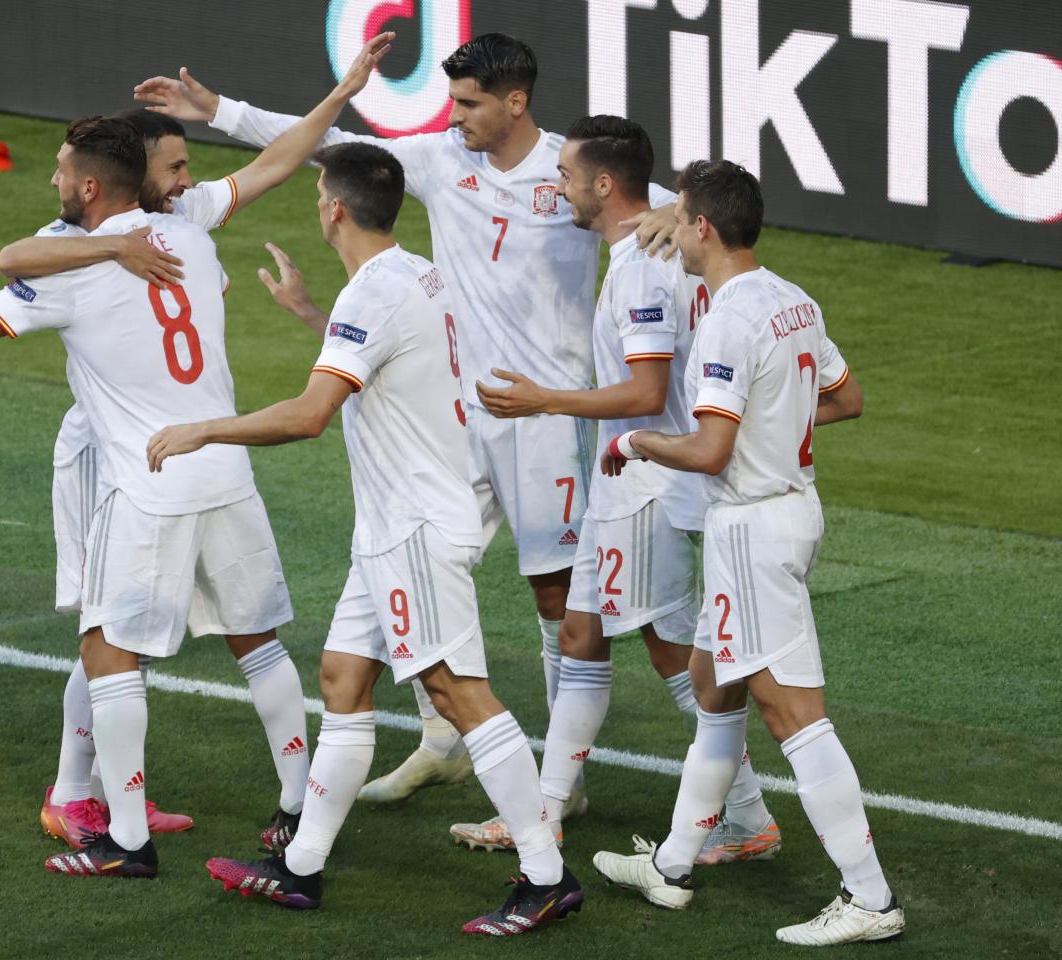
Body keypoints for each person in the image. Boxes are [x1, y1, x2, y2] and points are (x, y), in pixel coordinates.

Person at [137, 33, 675, 809]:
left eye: (469, 104)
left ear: (515, 102)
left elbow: (675, 206)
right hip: (455, 413)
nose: (453, 117)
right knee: (411, 562)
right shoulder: (440, 159)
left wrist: (683, 206)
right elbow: (333, 145)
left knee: (554, 596)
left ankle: (564, 783)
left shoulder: (574, 172)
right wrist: (219, 110)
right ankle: (443, 741)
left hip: (545, 418)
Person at [148, 143, 579, 936]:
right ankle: (301, 867)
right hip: (393, 527)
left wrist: (204, 428)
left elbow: (311, 414)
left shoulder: (375, 293)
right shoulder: (417, 274)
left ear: (334, 208)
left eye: (318, 191)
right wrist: (316, 317)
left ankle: (545, 876)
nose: (317, 202)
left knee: (459, 693)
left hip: (412, 527)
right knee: (345, 677)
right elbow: (399, 363)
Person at [0, 33, 393, 856]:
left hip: (167, 458)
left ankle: (105, 803)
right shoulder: (100, 236)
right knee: (114, 633)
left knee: (117, 637)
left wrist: (342, 91)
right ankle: (78, 792)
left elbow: (279, 161)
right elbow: (24, 257)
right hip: (107, 457)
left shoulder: (178, 220)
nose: (189, 180)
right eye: (174, 168)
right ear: (128, 179)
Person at [0, 116, 293, 879]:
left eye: (63, 172)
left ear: (91, 188)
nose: (53, 182)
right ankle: (296, 807)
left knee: (108, 649)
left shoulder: (73, 270)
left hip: (148, 484)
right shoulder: (191, 241)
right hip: (228, 469)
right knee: (257, 639)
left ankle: (124, 839)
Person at [590, 160, 903, 946]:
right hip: (789, 508)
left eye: (682, 217)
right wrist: (778, 422)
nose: (675, 232)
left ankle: (870, 897)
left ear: (703, 228)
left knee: (791, 714)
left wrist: (636, 441)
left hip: (755, 529)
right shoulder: (793, 298)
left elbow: (707, 449)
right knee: (712, 686)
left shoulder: (728, 319)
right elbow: (846, 397)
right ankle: (672, 865)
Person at [457, 116, 781, 865]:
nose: (556, 186)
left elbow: (644, 389)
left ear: (604, 185)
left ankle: (747, 815)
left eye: (567, 175)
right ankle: (545, 811)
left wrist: (546, 400)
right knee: (582, 636)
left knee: (676, 655)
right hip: (632, 482)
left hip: (647, 483)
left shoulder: (641, 264)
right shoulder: (670, 244)